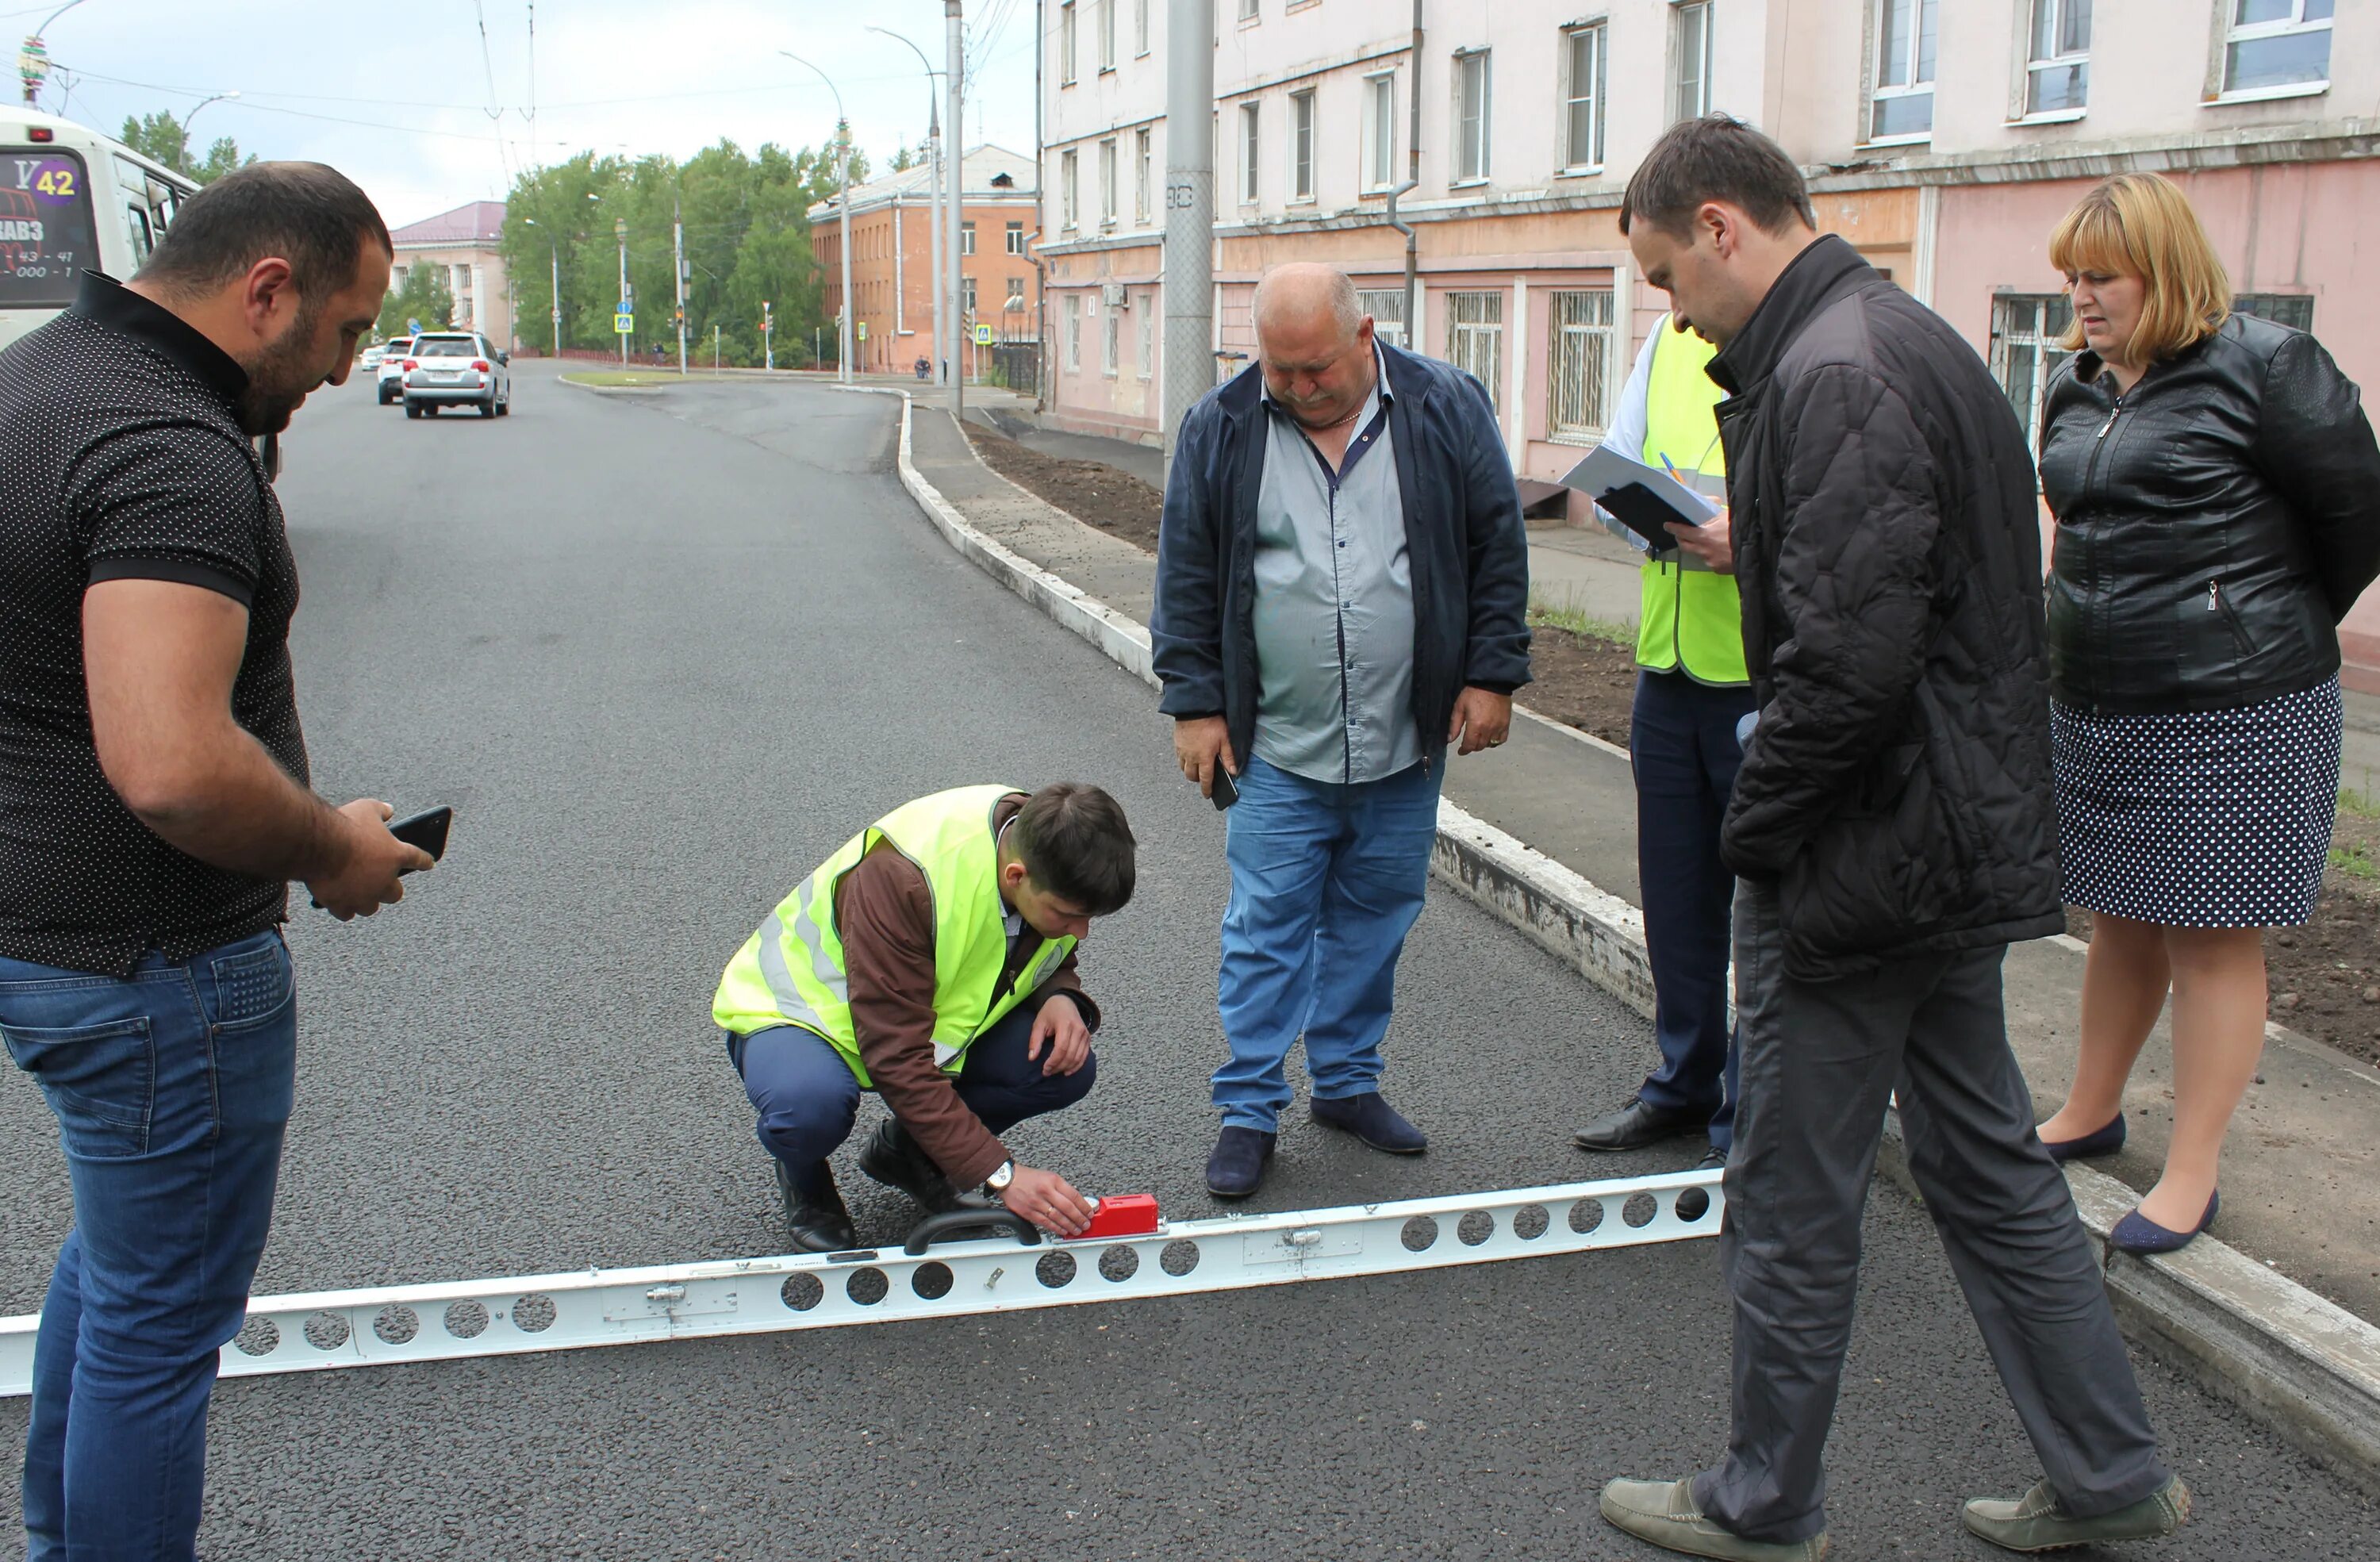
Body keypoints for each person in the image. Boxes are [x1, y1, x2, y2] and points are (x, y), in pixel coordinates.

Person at [1594, 117, 2187, 1560]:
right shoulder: (1896, 334)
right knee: (1989, 1164)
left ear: (1724, 226)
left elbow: (1845, 666)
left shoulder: (1836, 367)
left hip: (1858, 860)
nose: (1676, 311)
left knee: (1794, 1191)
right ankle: (2111, 1475)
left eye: (1673, 277)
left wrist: (1755, 831)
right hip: (1940, 839)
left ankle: (1762, 1498)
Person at [0, 163, 431, 1560]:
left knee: (124, 1273)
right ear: (268, 291)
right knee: (162, 1316)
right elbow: (174, 762)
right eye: (349, 329)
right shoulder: (166, 445)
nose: (348, 366)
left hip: (43, 929)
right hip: (156, 961)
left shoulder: (37, 383)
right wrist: (330, 848)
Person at [2029, 175, 2380, 1253]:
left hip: (2239, 707)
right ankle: (2090, 1109)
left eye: (2103, 278)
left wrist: (2255, 619)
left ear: (2166, 271)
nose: (2081, 299)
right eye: (2072, 279)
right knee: (2118, 915)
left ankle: (2195, 1170)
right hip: (2098, 698)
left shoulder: (2269, 369)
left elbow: (2356, 518)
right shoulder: (2074, 385)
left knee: (2213, 936)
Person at [1151, 262, 1531, 1199]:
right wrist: (1195, 704)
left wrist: (1492, 674)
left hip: (1408, 737)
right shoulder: (1225, 425)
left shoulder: (1445, 406)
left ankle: (1348, 1083)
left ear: (1366, 337)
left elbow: (1496, 544)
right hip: (1277, 741)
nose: (1297, 388)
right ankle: (1248, 1108)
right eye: (1278, 371)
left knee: (1374, 917)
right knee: (1267, 927)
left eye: (1315, 368)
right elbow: (1187, 571)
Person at [712, 783, 1136, 1249]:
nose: (1081, 933)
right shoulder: (905, 878)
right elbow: (897, 1058)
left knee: (1062, 1064)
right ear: (1016, 876)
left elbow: (1030, 948)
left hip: (909, 1018)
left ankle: (908, 1154)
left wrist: (1059, 995)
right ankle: (804, 1175)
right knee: (809, 1107)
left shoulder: (1046, 842)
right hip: (802, 1016)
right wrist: (1002, 1176)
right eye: (1069, 915)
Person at [1570, 313, 1751, 1184]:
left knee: (1767, 916)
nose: (1673, 296)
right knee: (1678, 906)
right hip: (1667, 665)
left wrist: (1742, 539)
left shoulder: (1804, 346)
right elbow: (1617, 467)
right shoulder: (1667, 343)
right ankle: (1685, 1081)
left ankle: (1753, 1114)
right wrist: (1649, 518)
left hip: (1761, 678)